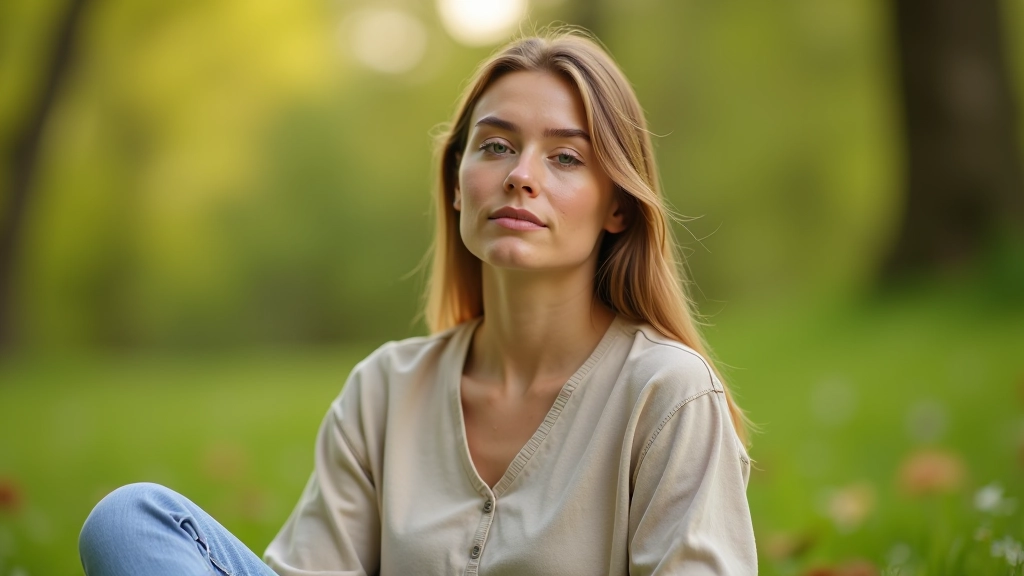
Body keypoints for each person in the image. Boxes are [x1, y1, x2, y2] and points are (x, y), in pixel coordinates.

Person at [79, 30, 757, 576]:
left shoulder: (666, 393)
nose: (521, 176)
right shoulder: (385, 390)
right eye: (496, 146)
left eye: (566, 158)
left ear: (616, 206)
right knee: (130, 520)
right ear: (459, 186)